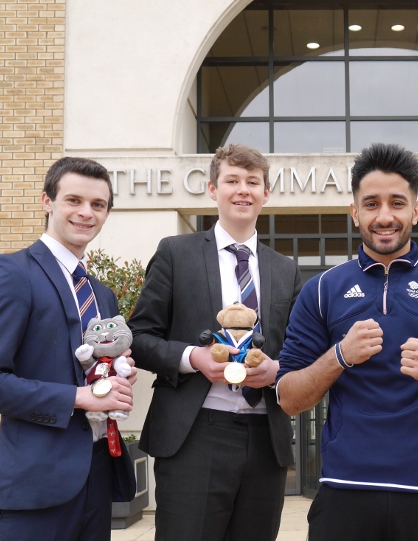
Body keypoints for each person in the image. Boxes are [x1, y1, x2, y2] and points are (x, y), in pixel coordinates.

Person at [276, 142, 418, 541]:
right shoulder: (322, 290)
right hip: (343, 489)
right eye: (371, 203)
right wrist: (340, 355)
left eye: (397, 203)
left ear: (416, 210)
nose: (384, 216)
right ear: (354, 212)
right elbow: (289, 397)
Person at [128, 143, 302, 541]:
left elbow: (297, 349)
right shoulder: (176, 253)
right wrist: (193, 358)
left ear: (266, 194)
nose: (243, 190)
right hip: (195, 435)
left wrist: (278, 371)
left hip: (265, 439)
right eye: (232, 181)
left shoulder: (285, 269)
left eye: (252, 182)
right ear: (212, 189)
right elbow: (139, 337)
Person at [0, 157, 137, 540]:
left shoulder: (102, 295)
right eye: (73, 200)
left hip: (97, 474)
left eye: (98, 205)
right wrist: (80, 396)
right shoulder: (11, 273)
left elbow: (89, 371)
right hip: (37, 484)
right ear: (47, 202)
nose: (86, 213)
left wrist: (114, 379)